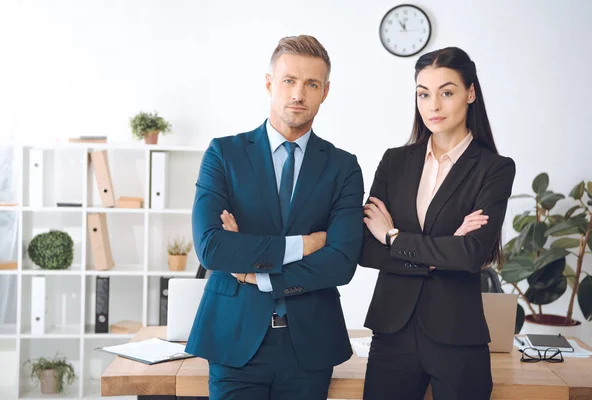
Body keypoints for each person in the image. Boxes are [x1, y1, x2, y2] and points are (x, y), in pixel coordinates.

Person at [185, 35, 364, 400]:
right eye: (289, 81)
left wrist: (256, 274)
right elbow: (213, 248)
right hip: (234, 339)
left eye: (311, 84)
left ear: (325, 92)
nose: (299, 93)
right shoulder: (224, 154)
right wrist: (306, 244)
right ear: (269, 83)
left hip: (309, 345)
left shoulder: (343, 167)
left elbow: (342, 263)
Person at [360, 47, 516, 400]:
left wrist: (394, 236)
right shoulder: (394, 162)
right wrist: (443, 252)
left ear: (470, 93)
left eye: (447, 92)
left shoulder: (494, 168)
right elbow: (367, 249)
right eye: (423, 94)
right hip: (392, 332)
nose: (433, 105)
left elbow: (472, 253)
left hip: (457, 336)